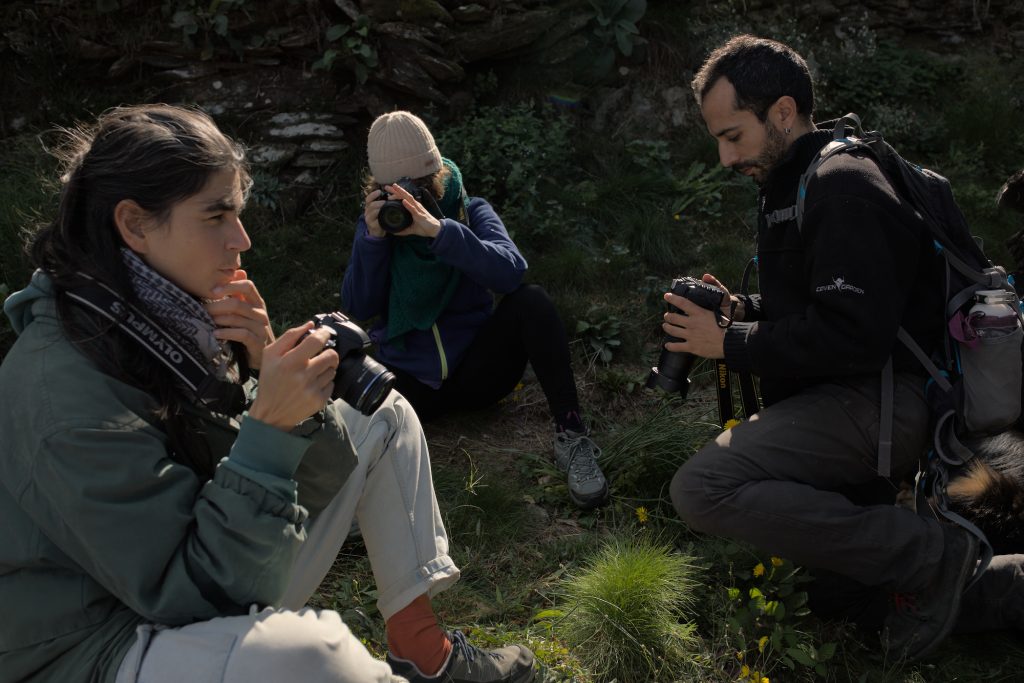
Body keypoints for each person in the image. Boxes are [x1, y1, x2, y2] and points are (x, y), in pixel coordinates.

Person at [0, 104, 536, 683]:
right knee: (314, 657)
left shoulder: (158, 319)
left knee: (381, 417)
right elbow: (193, 593)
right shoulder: (64, 390)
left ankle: (422, 647)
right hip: (94, 647)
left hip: (200, 583)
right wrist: (269, 427)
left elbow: (322, 475)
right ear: (134, 224)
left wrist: (260, 365)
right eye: (217, 216)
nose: (243, 239)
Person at [663, 34, 992, 662]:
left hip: (885, 400)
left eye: (733, 136)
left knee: (703, 489)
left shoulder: (842, 185)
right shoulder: (797, 178)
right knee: (831, 588)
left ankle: (932, 556)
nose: (725, 158)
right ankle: (920, 569)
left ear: (782, 112)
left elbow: (852, 337)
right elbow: (829, 311)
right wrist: (743, 312)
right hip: (851, 390)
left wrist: (729, 342)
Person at [340, 111, 609, 510]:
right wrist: (374, 242)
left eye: (417, 188)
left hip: (480, 374)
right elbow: (357, 308)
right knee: (334, 351)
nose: (407, 202)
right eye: (394, 191)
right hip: (412, 384)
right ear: (378, 189)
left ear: (436, 178)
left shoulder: (468, 211)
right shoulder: (377, 229)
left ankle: (571, 434)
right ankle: (347, 493)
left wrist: (441, 232)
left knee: (532, 300)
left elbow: (511, 272)